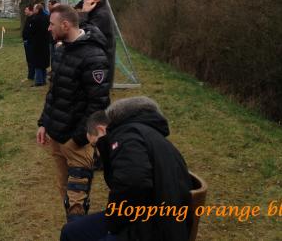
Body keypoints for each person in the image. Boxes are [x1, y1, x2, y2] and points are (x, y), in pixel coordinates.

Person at [60, 96, 193, 241]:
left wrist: (114, 227)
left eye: (94, 145)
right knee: (71, 231)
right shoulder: (141, 133)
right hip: (148, 216)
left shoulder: (126, 137)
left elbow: (134, 183)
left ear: (100, 130)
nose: (97, 152)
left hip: (157, 226)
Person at [37, 4, 111, 221]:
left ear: (65, 24)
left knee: (76, 203)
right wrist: (44, 123)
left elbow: (99, 104)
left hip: (77, 144)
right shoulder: (60, 52)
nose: (48, 28)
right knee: (64, 192)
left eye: (51, 24)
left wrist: (77, 139)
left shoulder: (94, 56)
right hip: (56, 137)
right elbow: (54, 93)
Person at [78, 0, 116, 88]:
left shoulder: (101, 14)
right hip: (94, 65)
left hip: (99, 69)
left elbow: (83, 35)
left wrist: (84, 13)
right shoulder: (94, 9)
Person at [28, 3, 51, 86]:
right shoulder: (47, 17)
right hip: (45, 43)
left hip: (37, 43)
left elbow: (31, 31)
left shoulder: (35, 19)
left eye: (34, 8)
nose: (33, 10)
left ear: (38, 10)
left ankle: (38, 81)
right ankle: (44, 80)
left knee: (37, 62)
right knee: (43, 62)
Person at [22, 4, 35, 81]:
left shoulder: (33, 19)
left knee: (31, 59)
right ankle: (30, 75)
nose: (24, 11)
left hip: (30, 42)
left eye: (26, 9)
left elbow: (32, 32)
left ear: (30, 10)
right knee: (28, 59)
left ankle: (31, 75)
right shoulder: (28, 18)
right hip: (26, 41)